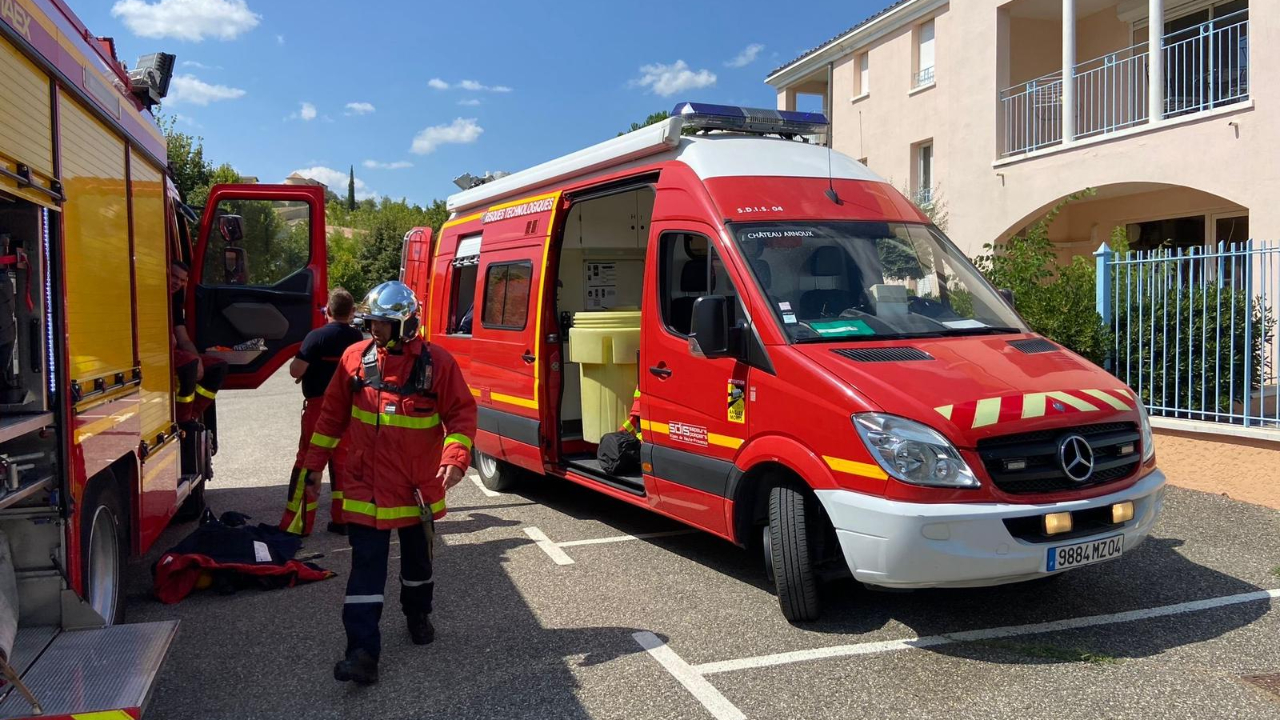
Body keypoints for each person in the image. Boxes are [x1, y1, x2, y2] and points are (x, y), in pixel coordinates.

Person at [298, 280, 476, 685]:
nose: (374, 330)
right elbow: (331, 419)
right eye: (372, 322)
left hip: (416, 487)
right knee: (365, 569)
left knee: (418, 565)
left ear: (406, 324)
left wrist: (455, 458)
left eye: (382, 324)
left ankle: (418, 613)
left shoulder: (438, 365)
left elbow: (461, 416)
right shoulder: (353, 359)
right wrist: (314, 466)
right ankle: (362, 652)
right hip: (365, 486)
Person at [279, 288, 364, 537]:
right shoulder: (358, 338)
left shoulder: (315, 337)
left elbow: (296, 370)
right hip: (349, 409)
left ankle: (299, 523)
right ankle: (342, 520)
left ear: (327, 309)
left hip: (319, 407)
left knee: (308, 461)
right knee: (343, 463)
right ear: (352, 312)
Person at [170, 261, 227, 425]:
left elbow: (183, 338)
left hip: (170, 352)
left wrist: (199, 362)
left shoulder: (174, 301)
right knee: (189, 364)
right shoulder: (150, 297)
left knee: (218, 366)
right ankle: (183, 420)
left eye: (182, 280)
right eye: (174, 276)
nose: (177, 283)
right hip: (154, 354)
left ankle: (193, 415)